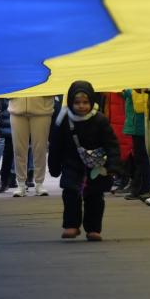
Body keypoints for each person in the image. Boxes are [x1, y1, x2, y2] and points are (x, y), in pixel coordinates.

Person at [48, 82, 122, 241]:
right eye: (77, 102)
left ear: (92, 101)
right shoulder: (63, 120)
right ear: (70, 102)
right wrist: (54, 166)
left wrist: (113, 166)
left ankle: (93, 229)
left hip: (96, 166)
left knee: (95, 197)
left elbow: (111, 144)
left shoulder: (100, 120)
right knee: (70, 194)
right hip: (71, 163)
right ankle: (71, 225)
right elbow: (56, 145)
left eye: (85, 102)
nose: (81, 106)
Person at [8, 94, 55, 196]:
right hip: (17, 107)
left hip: (42, 108)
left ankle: (39, 183)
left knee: (40, 149)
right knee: (18, 149)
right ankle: (21, 184)